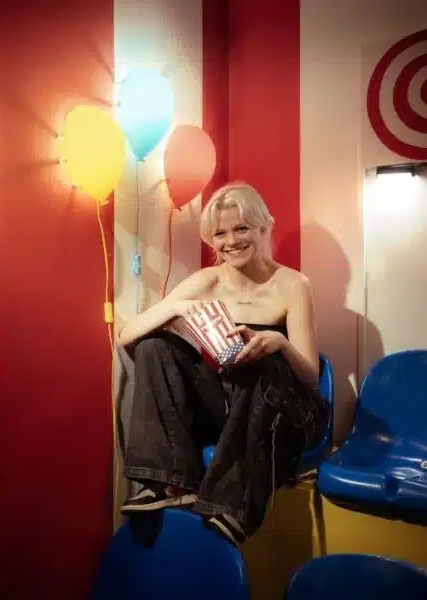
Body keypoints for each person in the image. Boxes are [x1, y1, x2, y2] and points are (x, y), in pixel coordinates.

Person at [117, 182, 328, 547]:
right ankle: (164, 482)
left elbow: (310, 377)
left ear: (262, 227)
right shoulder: (206, 281)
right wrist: (177, 307)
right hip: (231, 407)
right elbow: (126, 335)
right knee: (154, 345)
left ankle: (235, 507)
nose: (231, 241)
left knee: (265, 363)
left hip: (285, 413)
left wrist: (278, 342)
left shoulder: (293, 285)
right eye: (220, 233)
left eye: (241, 228)